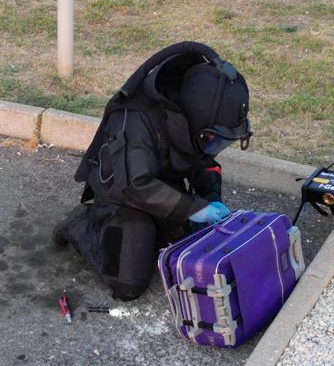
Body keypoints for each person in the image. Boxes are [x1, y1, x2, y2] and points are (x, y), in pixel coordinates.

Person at [55, 42, 252, 300]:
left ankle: (157, 230)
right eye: (212, 139)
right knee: (128, 283)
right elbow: (136, 185)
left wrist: (212, 198)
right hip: (122, 191)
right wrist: (194, 208)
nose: (214, 147)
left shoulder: (195, 121)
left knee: (190, 246)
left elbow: (204, 161)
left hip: (162, 184)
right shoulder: (137, 118)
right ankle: (82, 225)